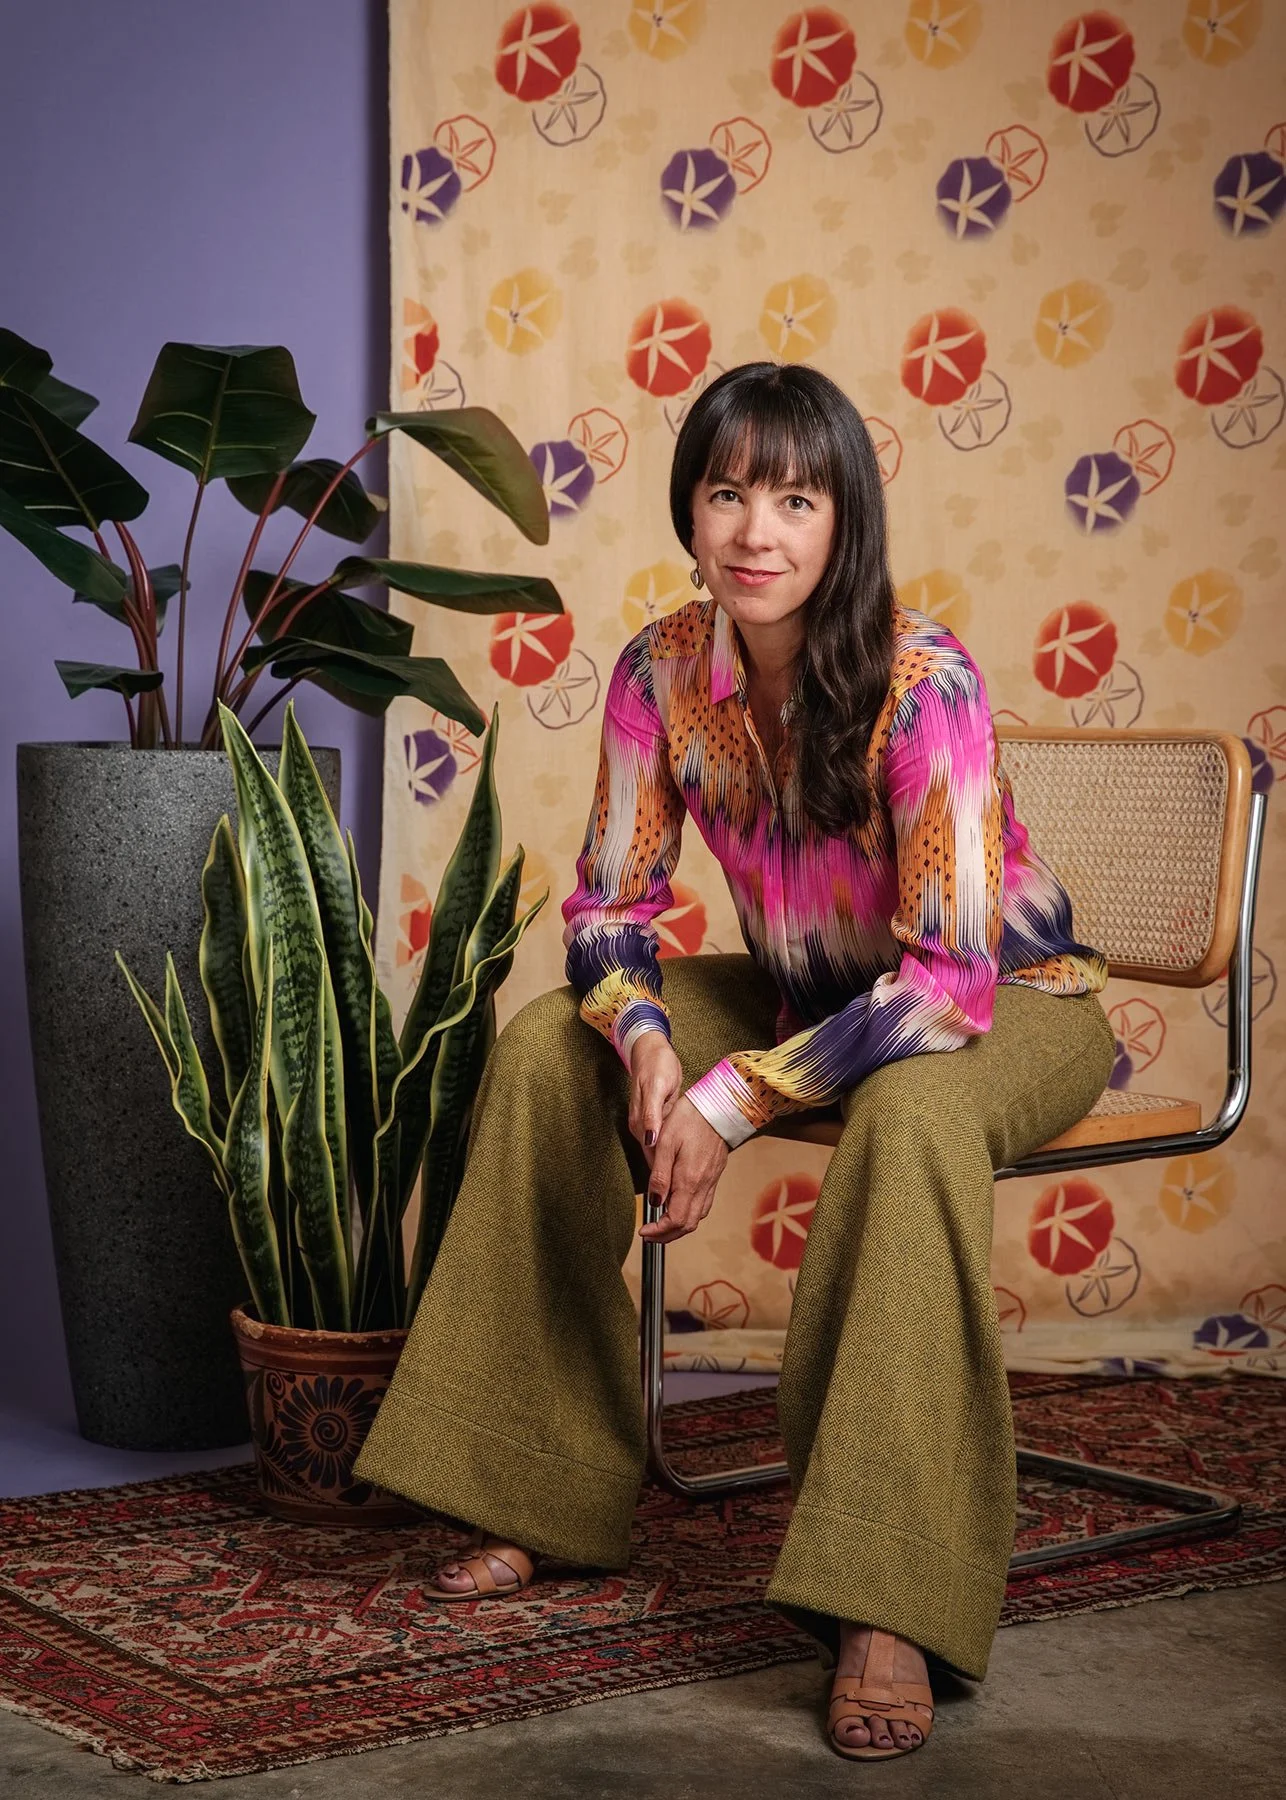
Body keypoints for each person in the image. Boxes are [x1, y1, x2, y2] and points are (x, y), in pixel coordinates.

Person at [356, 362, 1113, 1762]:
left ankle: (884, 1598)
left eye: (796, 500)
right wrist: (646, 1037)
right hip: (806, 989)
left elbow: (944, 986)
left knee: (911, 1117)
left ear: (844, 520)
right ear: (689, 509)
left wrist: (731, 1094)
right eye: (727, 493)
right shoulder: (659, 672)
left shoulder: (923, 683)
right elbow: (609, 908)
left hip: (1007, 1003)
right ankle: (532, 1486)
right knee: (551, 1048)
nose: (756, 532)